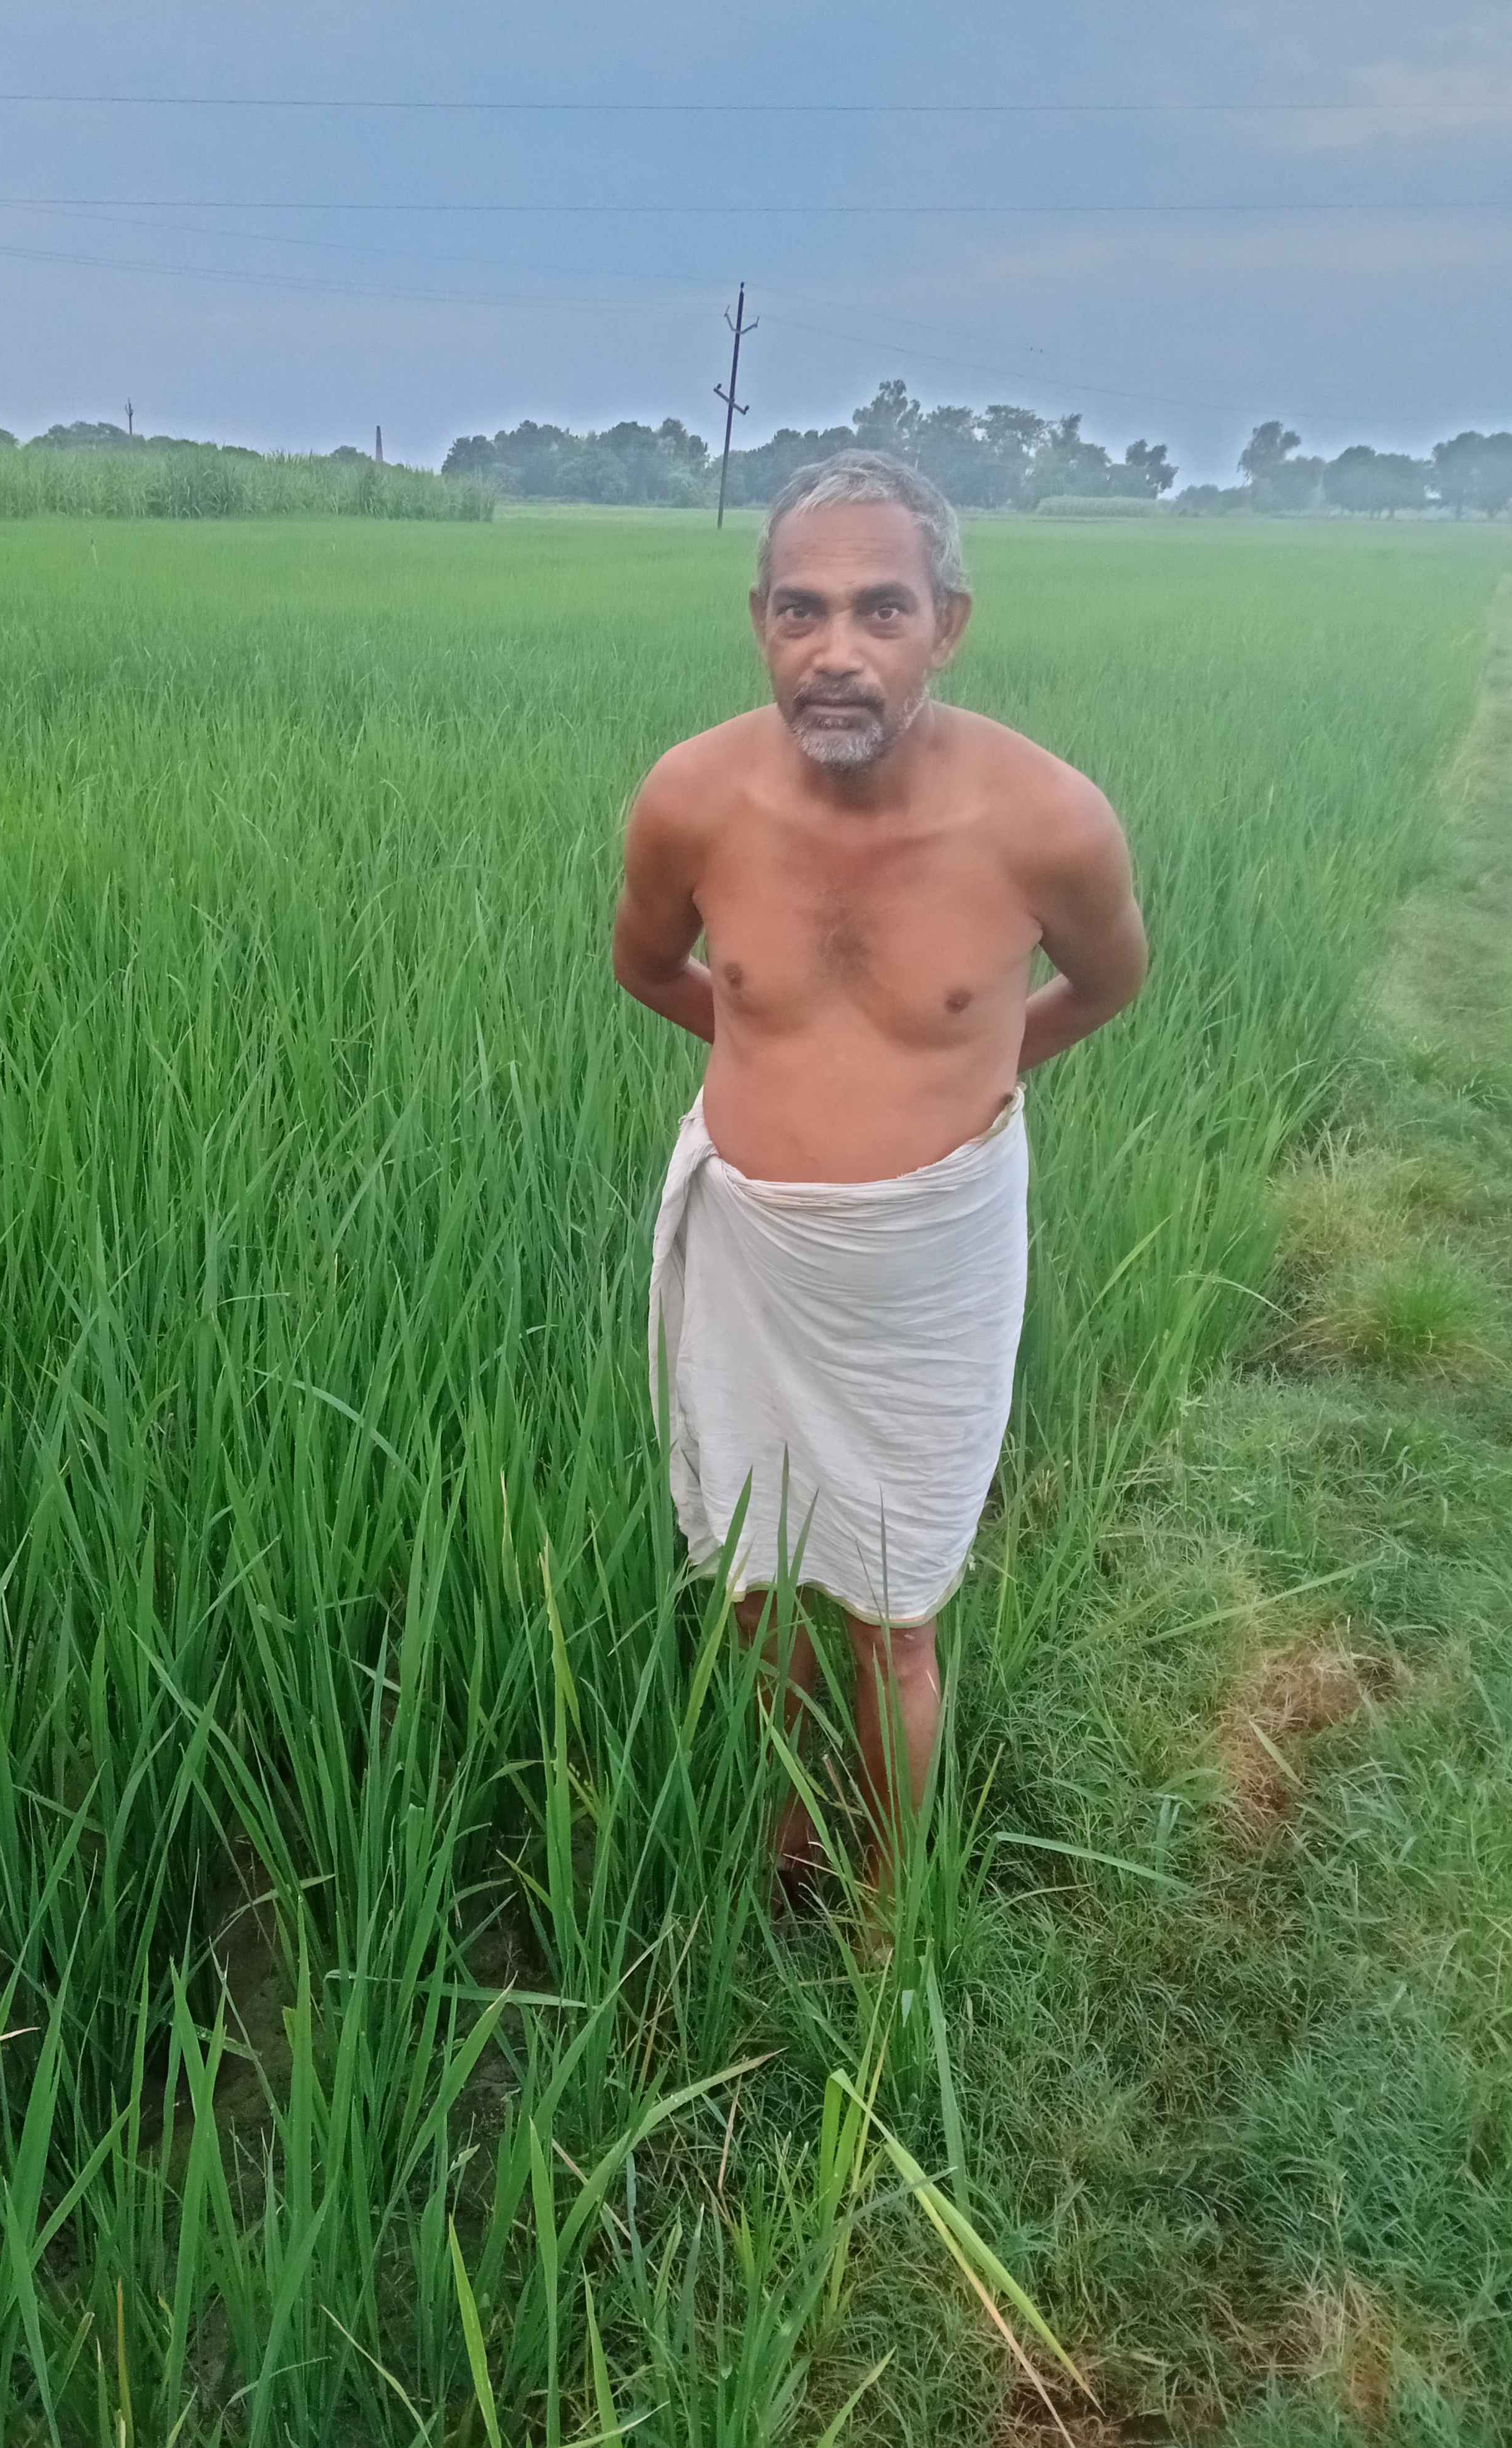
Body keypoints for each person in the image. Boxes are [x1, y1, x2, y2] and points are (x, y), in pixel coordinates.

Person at [613, 449, 1147, 1901]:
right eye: (801, 609)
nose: (836, 649)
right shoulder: (691, 799)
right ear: (760, 620)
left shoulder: (1048, 820)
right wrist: (782, 1064)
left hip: (931, 1263)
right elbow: (646, 964)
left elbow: (1110, 982)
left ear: (947, 624)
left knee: (892, 1622)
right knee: (758, 1589)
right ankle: (789, 1840)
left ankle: (888, 1914)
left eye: (881, 609)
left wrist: (964, 1077)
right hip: (752, 1253)